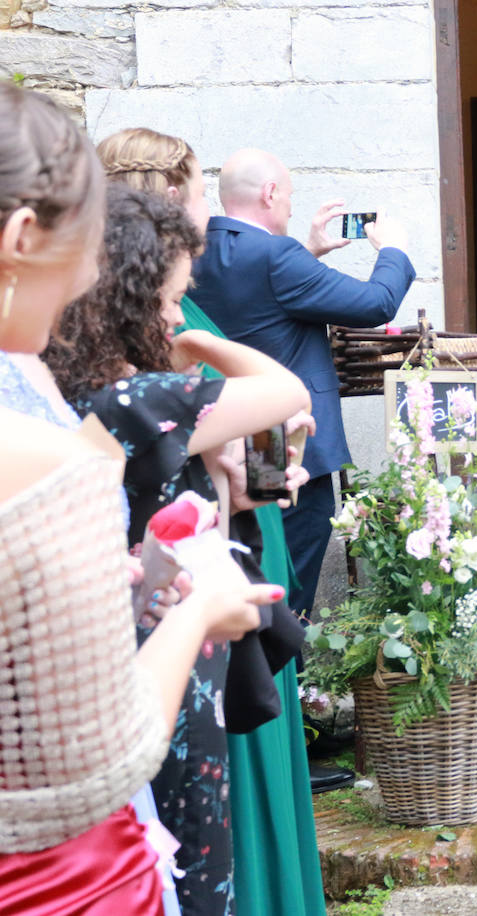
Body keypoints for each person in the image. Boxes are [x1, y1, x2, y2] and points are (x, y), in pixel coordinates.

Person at [0, 82, 271, 915]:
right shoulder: (43, 456)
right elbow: (102, 758)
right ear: (20, 238)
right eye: (84, 247)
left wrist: (115, 573)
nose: (89, 276)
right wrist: (199, 614)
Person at [45, 184, 312, 915]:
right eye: (170, 298)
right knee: (192, 858)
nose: (177, 315)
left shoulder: (75, 397)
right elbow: (284, 390)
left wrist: (233, 488)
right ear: (129, 301)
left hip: (123, 647)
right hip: (170, 650)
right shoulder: (140, 402)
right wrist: (196, 346)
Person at [191, 147, 416, 621]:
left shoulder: (197, 252)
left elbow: (256, 302)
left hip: (224, 435)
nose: (291, 209)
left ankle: (257, 659)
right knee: (286, 575)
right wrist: (393, 250)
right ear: (270, 193)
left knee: (248, 559)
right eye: (290, 197)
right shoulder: (277, 255)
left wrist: (308, 252)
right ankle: (283, 664)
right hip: (282, 442)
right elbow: (375, 303)